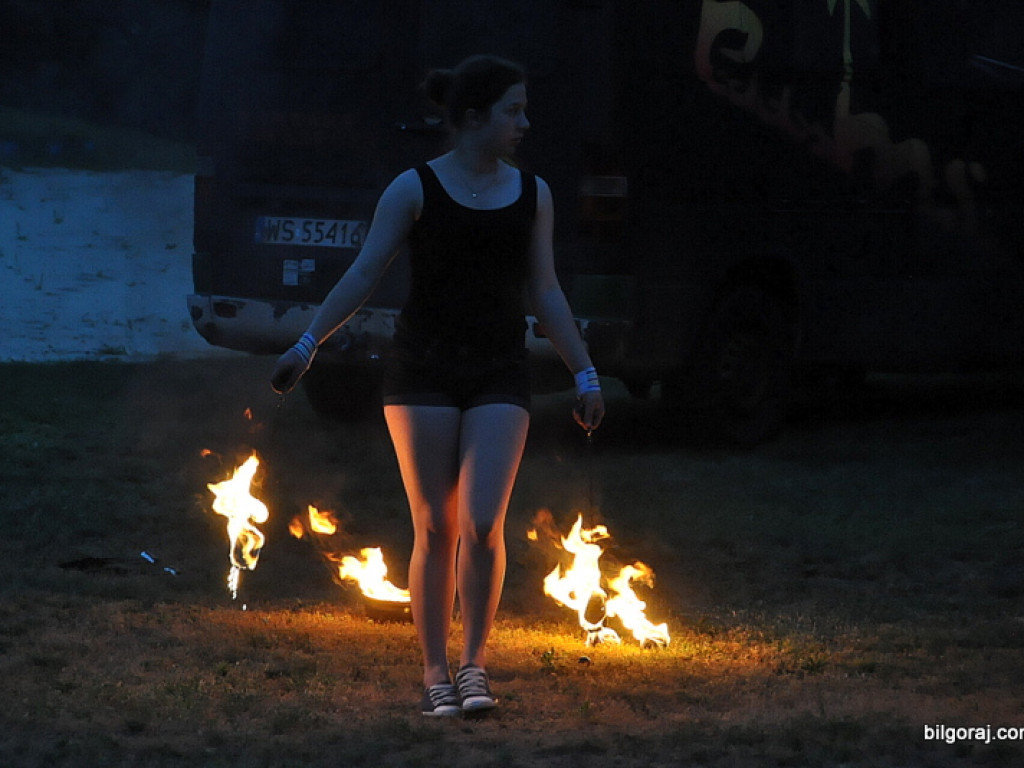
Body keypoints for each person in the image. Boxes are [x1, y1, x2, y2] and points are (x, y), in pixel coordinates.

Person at [270, 54, 604, 717]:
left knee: (482, 523)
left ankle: (474, 666)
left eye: (524, 110)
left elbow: (545, 289)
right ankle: (434, 674)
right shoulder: (414, 187)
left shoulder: (533, 194)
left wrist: (585, 371)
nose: (524, 123)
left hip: (499, 369)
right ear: (474, 118)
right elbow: (365, 272)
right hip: (422, 369)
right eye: (513, 111)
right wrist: (308, 343)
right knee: (435, 526)